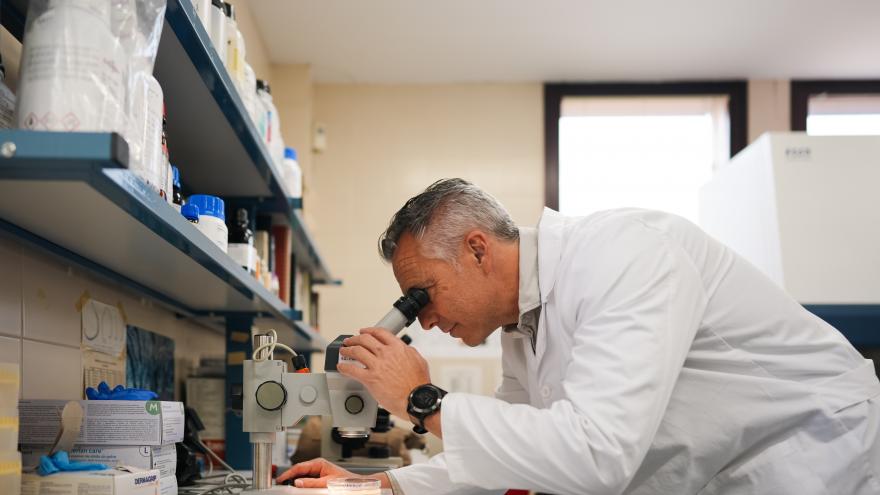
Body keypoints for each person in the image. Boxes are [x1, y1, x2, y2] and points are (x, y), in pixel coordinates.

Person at [277, 178, 880, 494]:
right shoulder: (524, 327)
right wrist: (380, 485)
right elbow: (508, 455)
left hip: (817, 457)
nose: (424, 320)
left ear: (477, 249)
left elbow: (599, 454)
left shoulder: (623, 255)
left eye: (422, 294)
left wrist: (422, 402)